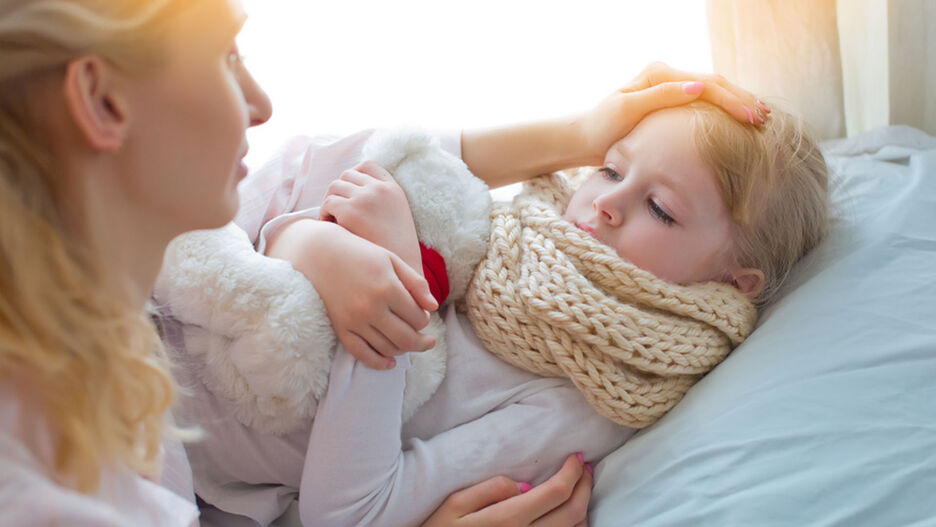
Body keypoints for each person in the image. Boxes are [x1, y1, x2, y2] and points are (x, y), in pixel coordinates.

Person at [0, 0, 770, 524]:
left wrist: (309, 239)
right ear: (101, 104)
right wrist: (354, 256)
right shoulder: (51, 473)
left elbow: (326, 176)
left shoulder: (99, 306)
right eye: (226, 56)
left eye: (659, 205)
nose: (262, 104)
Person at [159, 92, 826, 527]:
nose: (605, 203)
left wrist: (400, 280)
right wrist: (304, 237)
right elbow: (275, 222)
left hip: (156, 438)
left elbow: (352, 511)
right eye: (612, 168)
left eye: (660, 208)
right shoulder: (514, 233)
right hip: (143, 313)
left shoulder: (586, 399)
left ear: (736, 282)